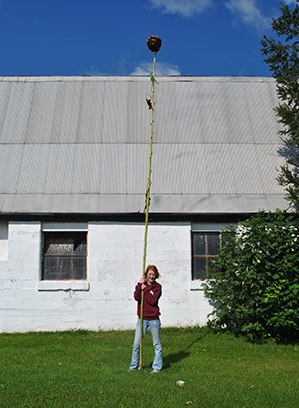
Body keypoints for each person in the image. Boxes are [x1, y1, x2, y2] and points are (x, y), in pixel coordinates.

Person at [129, 264, 162, 373]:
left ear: (156, 275)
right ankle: (133, 366)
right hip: (142, 318)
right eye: (149, 274)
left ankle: (156, 367)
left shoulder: (158, 287)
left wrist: (146, 289)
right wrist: (139, 285)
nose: (151, 276)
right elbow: (136, 297)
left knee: (156, 344)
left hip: (153, 320)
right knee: (136, 344)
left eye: (153, 274)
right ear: (146, 275)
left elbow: (152, 300)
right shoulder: (141, 285)